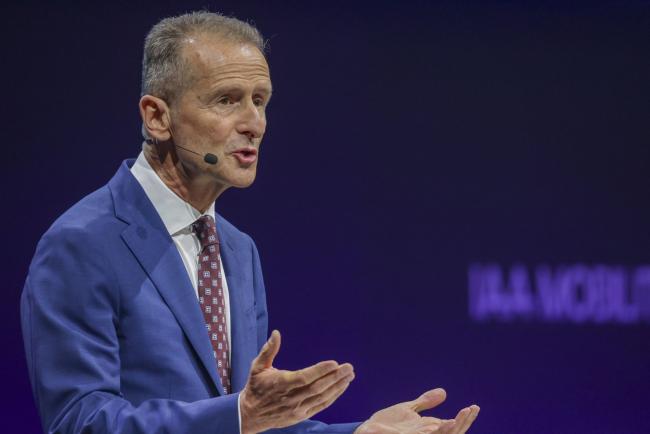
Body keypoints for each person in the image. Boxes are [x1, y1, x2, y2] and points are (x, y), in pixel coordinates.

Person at [20, 11, 480, 434]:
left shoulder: (239, 250)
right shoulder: (82, 244)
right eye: (227, 100)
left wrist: (359, 433)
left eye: (260, 101)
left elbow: (252, 425)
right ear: (158, 117)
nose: (254, 124)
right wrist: (239, 414)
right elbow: (78, 421)